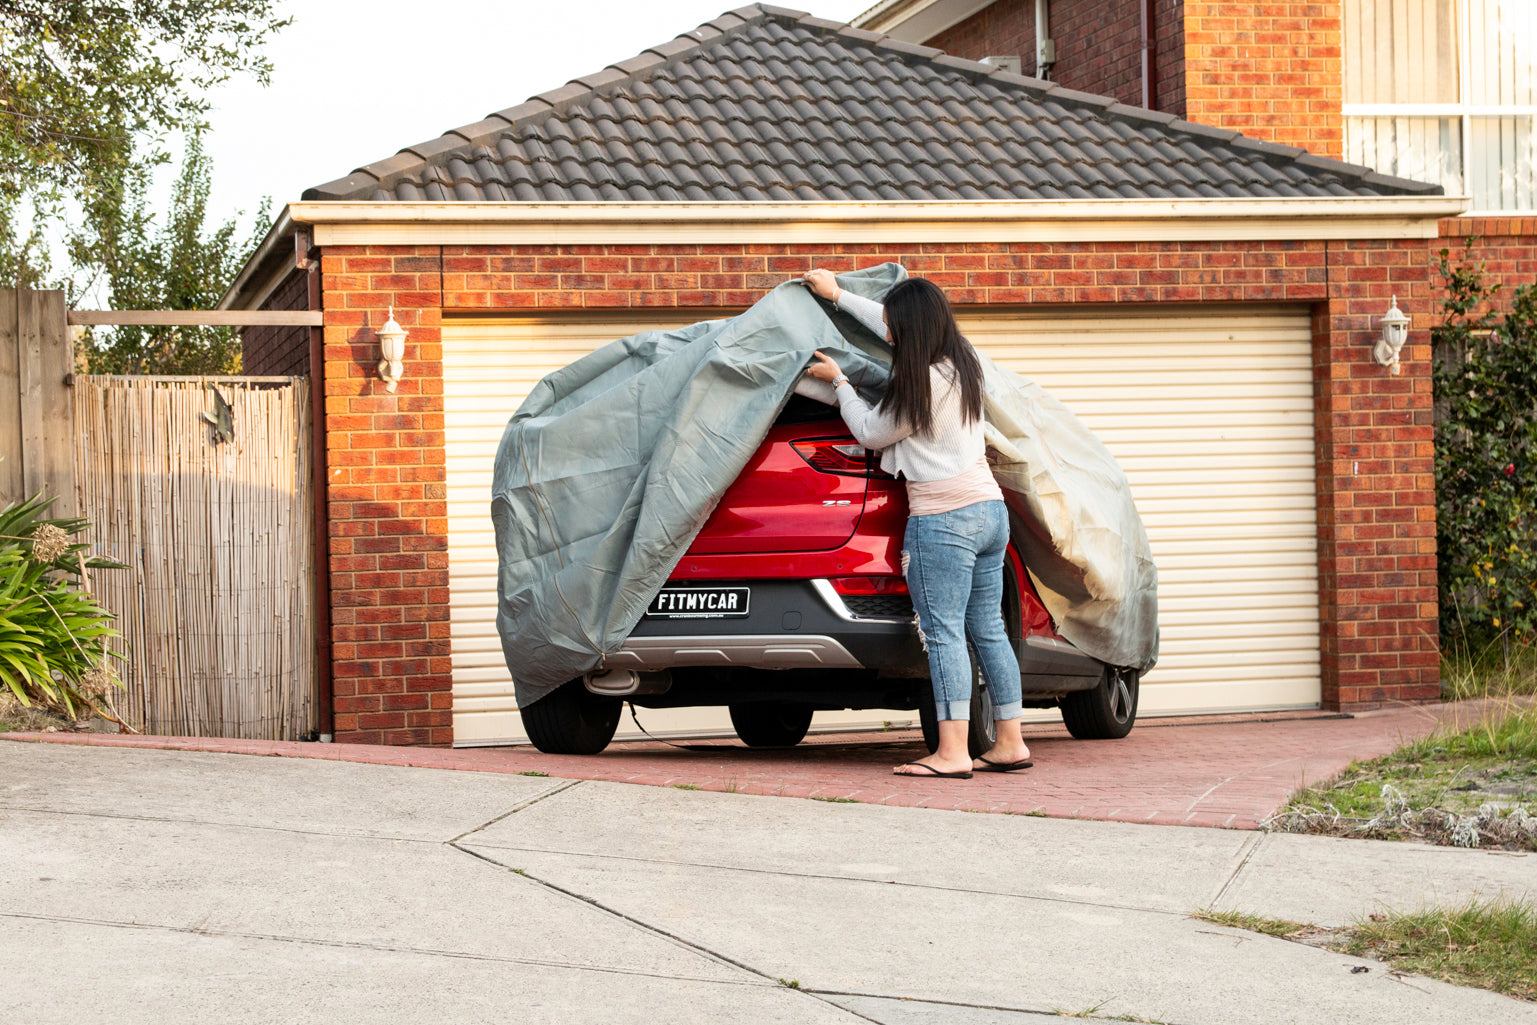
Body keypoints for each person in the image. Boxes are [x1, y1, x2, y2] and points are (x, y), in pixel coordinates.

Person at [800, 268, 1033, 779]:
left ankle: (952, 753)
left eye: (893, 325)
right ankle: (1010, 741)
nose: (888, 331)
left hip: (944, 520)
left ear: (910, 329)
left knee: (943, 633)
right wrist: (838, 296)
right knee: (987, 629)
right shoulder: (963, 361)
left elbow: (870, 431)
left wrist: (838, 382)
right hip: (990, 513)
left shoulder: (919, 386)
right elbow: (885, 321)